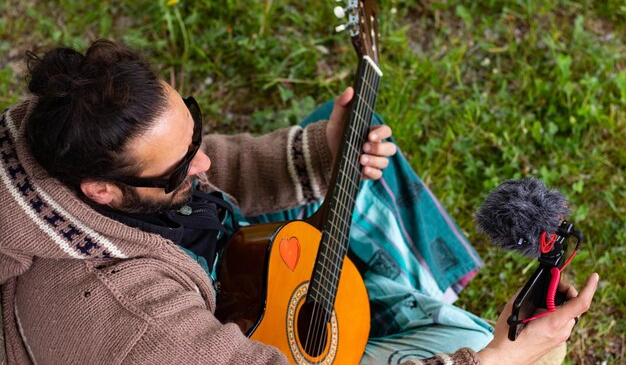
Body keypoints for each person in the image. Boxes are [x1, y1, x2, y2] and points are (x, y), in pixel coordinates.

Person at [0, 39, 597, 365]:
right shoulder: (126, 319)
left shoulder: (62, 148)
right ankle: (426, 316)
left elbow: (208, 167)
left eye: (197, 132)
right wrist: (492, 361)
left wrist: (323, 150)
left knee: (353, 141)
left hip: (223, 275)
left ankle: (401, 304)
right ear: (100, 192)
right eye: (184, 167)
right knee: (495, 351)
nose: (205, 163)